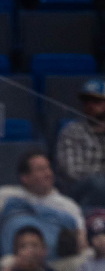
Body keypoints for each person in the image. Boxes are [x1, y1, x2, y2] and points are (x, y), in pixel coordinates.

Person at [0, 151, 87, 259]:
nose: (48, 174)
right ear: (25, 177)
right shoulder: (7, 195)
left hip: (56, 265)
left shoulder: (68, 205)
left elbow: (81, 241)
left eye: (48, 168)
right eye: (40, 170)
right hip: (15, 263)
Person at [56, 79, 105, 209]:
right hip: (77, 192)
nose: (90, 105)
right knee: (99, 183)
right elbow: (72, 172)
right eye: (86, 100)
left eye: (96, 101)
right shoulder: (71, 131)